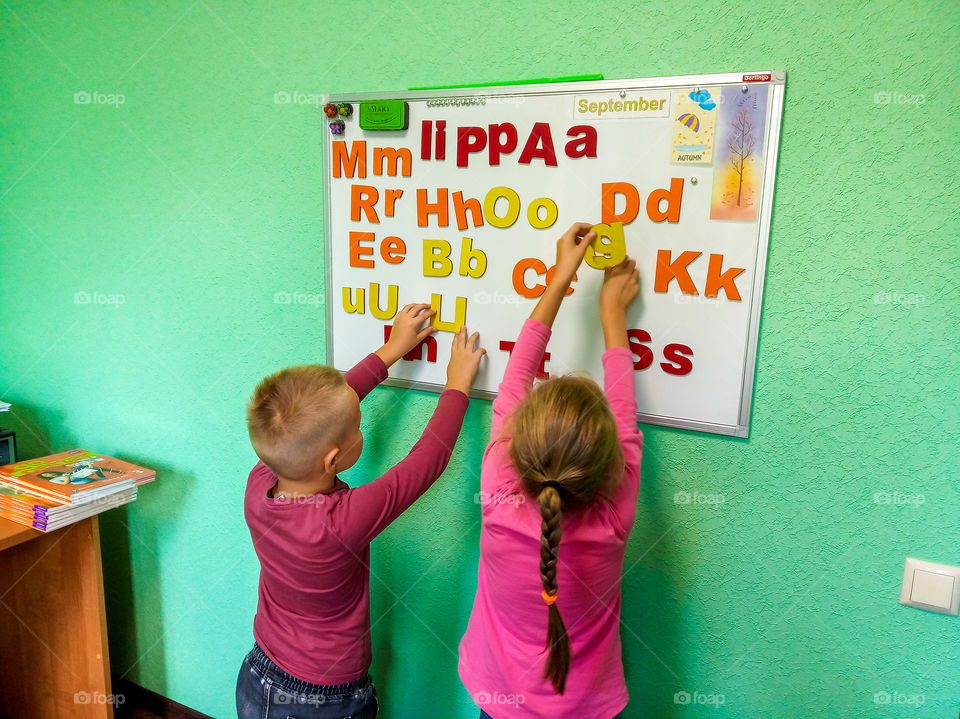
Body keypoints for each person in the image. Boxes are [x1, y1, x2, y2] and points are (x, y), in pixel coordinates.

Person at [237, 304, 485, 719]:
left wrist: (390, 350)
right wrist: (457, 384)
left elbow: (313, 417)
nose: (360, 427)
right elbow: (425, 464)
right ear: (333, 460)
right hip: (327, 697)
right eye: (357, 426)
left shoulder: (260, 480)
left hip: (259, 674)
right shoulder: (343, 520)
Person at [458, 222, 643, 718]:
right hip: (588, 707)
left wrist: (560, 276)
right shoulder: (613, 515)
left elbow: (517, 374)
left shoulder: (498, 487)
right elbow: (626, 417)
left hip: (497, 702)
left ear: (516, 439)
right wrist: (612, 312)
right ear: (610, 467)